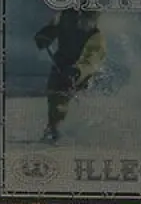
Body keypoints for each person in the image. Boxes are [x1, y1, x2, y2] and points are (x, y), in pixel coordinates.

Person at [35, 8, 107, 144]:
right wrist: (45, 36)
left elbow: (91, 60)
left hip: (81, 73)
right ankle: (54, 128)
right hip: (61, 63)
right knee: (55, 93)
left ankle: (70, 130)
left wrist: (79, 71)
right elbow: (54, 26)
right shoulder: (67, 17)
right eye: (83, 16)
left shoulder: (97, 37)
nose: (84, 22)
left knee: (66, 95)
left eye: (89, 19)